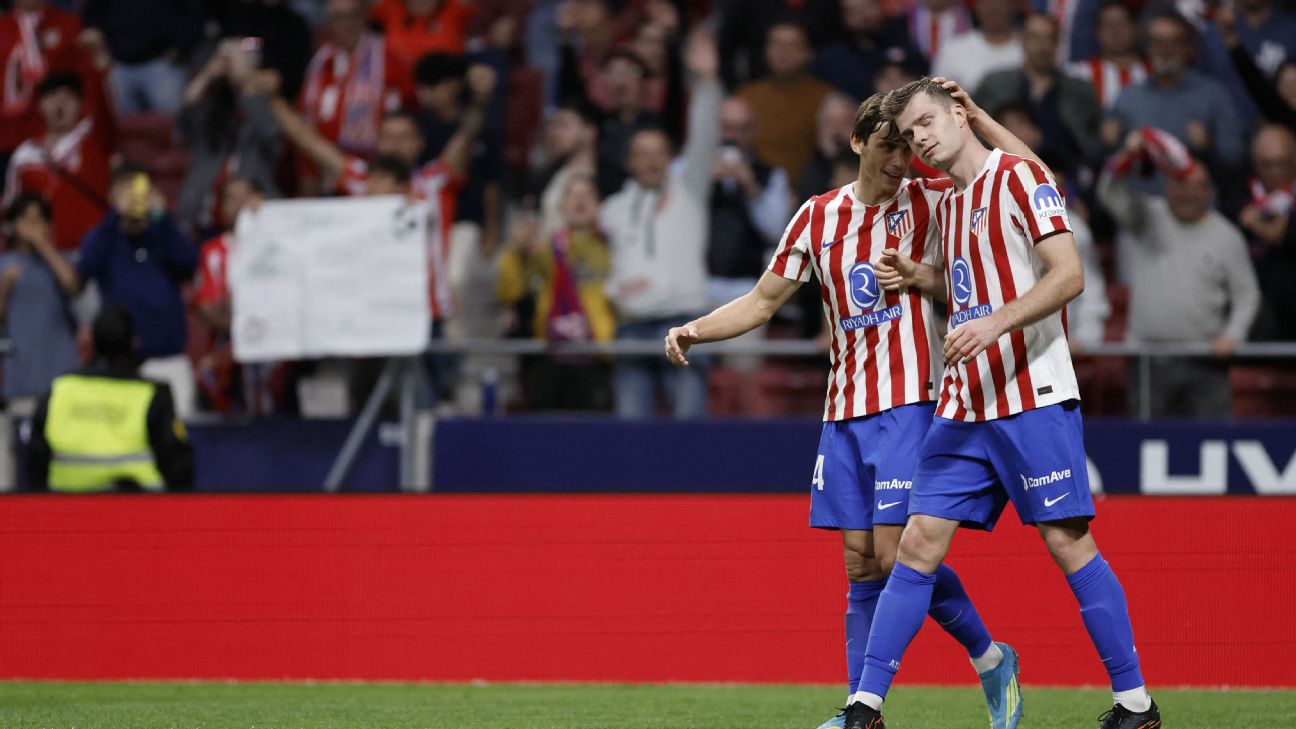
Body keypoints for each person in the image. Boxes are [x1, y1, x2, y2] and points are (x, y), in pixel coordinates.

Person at [667, 85, 1038, 729]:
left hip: (911, 403)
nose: (901, 159)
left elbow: (1026, 183)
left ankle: (983, 659)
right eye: (889, 145)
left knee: (897, 556)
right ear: (858, 142)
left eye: (908, 146)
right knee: (861, 565)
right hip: (844, 410)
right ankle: (861, 710)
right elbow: (761, 302)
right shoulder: (817, 217)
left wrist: (977, 124)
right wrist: (695, 329)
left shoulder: (932, 199)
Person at [841, 77, 1159, 729]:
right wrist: (924, 278)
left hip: (1030, 394)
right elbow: (968, 289)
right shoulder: (952, 203)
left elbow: (1068, 274)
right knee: (916, 544)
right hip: (964, 405)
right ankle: (864, 707)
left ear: (959, 114)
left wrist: (996, 322)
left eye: (928, 122)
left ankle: (1136, 704)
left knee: (1067, 542)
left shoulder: (1016, 176)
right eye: (910, 133)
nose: (920, 139)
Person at [601, 30, 720, 419]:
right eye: (642, 154)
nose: (651, 161)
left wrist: (707, 83)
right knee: (630, 434)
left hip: (683, 326)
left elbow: (704, 139)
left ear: (671, 158)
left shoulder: (690, 192)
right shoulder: (612, 209)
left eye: (659, 153)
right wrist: (616, 290)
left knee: (688, 434)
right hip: (631, 328)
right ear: (629, 162)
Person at [1098, 134, 1259, 417]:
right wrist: (1126, 156)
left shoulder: (1227, 236)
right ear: (1167, 186)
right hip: (1148, 358)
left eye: (1198, 186)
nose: (1189, 193)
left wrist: (1233, 335)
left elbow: (1247, 293)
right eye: (1181, 183)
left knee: (1212, 438)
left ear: (1210, 192)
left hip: (1206, 360)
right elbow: (1109, 193)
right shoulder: (1148, 217)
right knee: (1144, 439)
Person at [27, 303, 194, 492]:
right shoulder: (150, 394)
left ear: (92, 343)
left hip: (64, 504)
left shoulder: (61, 390)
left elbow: (36, 460)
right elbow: (178, 467)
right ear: (133, 341)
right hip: (136, 506)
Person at [76, 165, 199, 419]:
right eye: (125, 190)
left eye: (138, 189)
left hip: (168, 360)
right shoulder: (105, 238)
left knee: (179, 431)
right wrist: (114, 216)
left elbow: (189, 264)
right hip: (119, 364)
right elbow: (84, 269)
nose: (133, 197)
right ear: (112, 195)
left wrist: (161, 217)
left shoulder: (162, 233)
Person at [497, 173, 615, 411]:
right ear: (562, 206)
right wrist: (514, 252)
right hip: (551, 357)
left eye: (587, 195)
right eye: (573, 195)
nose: (580, 201)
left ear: (598, 206)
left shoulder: (613, 249)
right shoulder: (544, 250)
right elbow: (510, 292)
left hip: (597, 357)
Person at [1107, 12, 1244, 190]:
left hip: (1193, 202)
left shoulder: (1214, 95)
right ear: (1148, 48)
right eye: (1158, 42)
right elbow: (1102, 161)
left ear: (1188, 48)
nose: (1165, 50)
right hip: (1138, 203)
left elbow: (1235, 163)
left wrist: (1208, 147)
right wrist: (1107, 143)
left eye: (1174, 42)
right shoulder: (1128, 97)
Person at [176, 38, 283, 238]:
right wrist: (208, 73)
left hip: (255, 221)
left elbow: (271, 133)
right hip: (203, 222)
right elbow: (184, 116)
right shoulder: (211, 116)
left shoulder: (265, 107)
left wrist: (247, 83)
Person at [299, 0, 416, 182]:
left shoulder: (389, 60)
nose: (346, 24)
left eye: (351, 15)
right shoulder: (320, 65)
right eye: (338, 17)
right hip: (327, 177)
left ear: (364, 16)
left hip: (379, 178)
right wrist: (308, 175)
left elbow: (410, 116)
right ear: (328, 22)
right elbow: (307, 122)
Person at [3, 72, 111, 252]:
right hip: (43, 254)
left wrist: (96, 67)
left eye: (69, 96)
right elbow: (12, 210)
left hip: (91, 252)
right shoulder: (24, 154)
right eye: (52, 95)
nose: (60, 103)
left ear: (81, 104)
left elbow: (104, 108)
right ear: (40, 105)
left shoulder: (93, 138)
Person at [976, 14, 1101, 168]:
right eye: (1034, 37)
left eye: (1049, 38)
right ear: (1022, 40)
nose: (1042, 46)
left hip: (1065, 176)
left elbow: (1094, 145)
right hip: (1003, 172)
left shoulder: (1079, 91)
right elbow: (975, 134)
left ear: (1057, 44)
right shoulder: (995, 85)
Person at [0, 193, 79, 409]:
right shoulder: (5, 265)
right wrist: (4, 289)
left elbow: (72, 284)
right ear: (13, 225)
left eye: (39, 220)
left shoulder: (62, 260)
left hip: (64, 378)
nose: (33, 226)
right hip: (22, 379)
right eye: (26, 219)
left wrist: (42, 243)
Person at [735, 21, 835, 187]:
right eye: (776, 44)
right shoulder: (745, 96)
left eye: (793, 45)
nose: (783, 52)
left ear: (808, 52)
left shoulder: (825, 98)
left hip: (810, 191)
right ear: (766, 51)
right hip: (754, 188)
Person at [82, 0, 204, 115]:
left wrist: (181, 47)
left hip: (163, 64)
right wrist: (100, 48)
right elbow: (92, 14)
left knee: (172, 122)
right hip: (118, 65)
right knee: (121, 125)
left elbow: (194, 12)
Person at [1239, 124, 1296, 340]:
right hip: (1258, 320)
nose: (1274, 171)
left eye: (1282, 163)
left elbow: (1280, 235)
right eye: (1266, 164)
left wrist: (1259, 225)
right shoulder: (1239, 194)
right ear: (1255, 163)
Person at [811, 0, 927, 102]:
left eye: (868, 6)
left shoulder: (905, 31)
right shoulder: (833, 57)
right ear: (842, 16)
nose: (865, 15)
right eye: (854, 11)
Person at [1064, 1, 1148, 111]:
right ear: (1097, 32)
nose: (1115, 30)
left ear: (1136, 28)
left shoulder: (1151, 73)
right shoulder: (1079, 74)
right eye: (1108, 25)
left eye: (1121, 23)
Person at [930, 0, 1023, 94]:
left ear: (1013, 5)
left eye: (999, 2)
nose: (993, 8)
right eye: (986, 2)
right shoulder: (953, 48)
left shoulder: (1027, 47)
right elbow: (935, 94)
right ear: (977, 7)